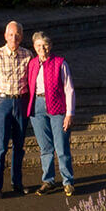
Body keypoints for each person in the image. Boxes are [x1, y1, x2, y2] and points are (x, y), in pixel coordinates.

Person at [0, 20, 32, 198]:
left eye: (17, 34)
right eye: (11, 34)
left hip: (20, 102)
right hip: (2, 102)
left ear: (21, 36)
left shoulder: (28, 55)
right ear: (5, 36)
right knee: (1, 147)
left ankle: (17, 183)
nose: (14, 37)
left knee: (19, 146)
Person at [26, 31, 77, 196]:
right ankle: (48, 180)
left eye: (45, 45)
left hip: (57, 107)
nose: (42, 48)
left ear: (51, 45)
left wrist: (69, 114)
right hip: (37, 106)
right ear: (34, 47)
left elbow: (69, 89)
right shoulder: (32, 64)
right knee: (45, 148)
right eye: (39, 45)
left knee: (61, 147)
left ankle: (67, 181)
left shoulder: (60, 63)